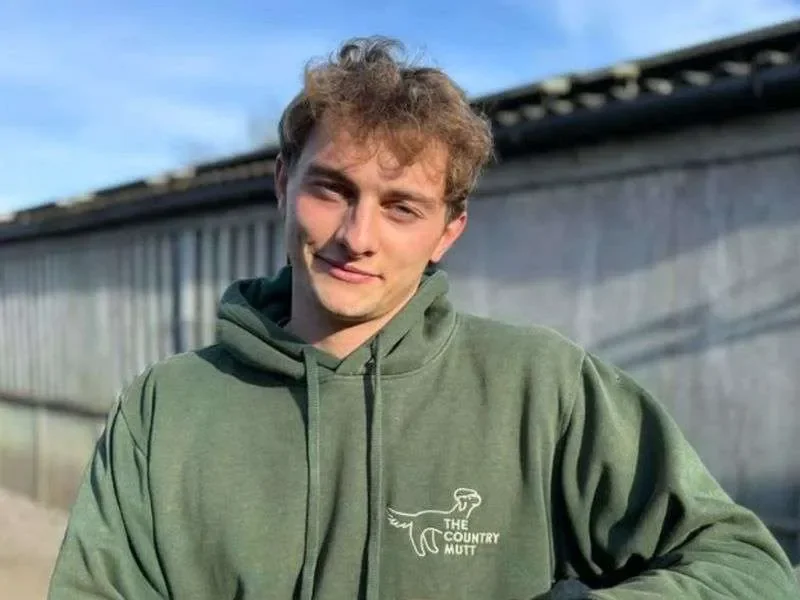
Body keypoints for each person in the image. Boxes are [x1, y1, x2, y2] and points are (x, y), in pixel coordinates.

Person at [49, 37, 799, 600]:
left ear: (448, 231)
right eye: (331, 190)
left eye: (401, 207)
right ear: (282, 184)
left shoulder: (542, 387)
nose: (357, 236)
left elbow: (747, 567)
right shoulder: (164, 409)